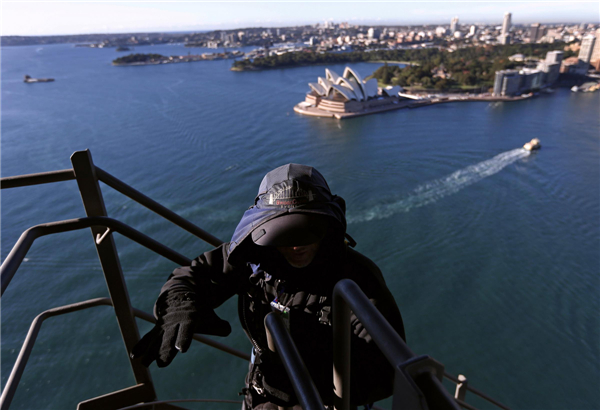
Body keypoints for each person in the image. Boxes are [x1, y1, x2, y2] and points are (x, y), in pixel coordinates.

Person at [131, 163, 406, 409]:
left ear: (328, 226)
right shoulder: (253, 258)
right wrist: (178, 305)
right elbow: (193, 275)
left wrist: (303, 397)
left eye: (307, 229)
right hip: (263, 391)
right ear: (263, 228)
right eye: (285, 233)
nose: (296, 245)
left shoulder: (356, 280)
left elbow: (387, 368)